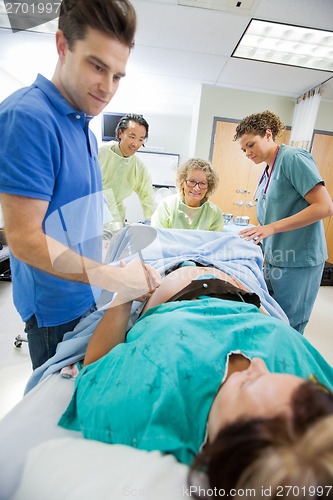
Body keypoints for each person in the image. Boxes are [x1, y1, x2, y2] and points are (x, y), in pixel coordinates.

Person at [59, 264, 333, 493]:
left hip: (176, 284)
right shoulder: (316, 416)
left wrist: (125, 294)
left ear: (219, 447)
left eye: (247, 382)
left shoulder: (149, 391)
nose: (259, 363)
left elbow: (94, 368)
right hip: (242, 289)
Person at [0, 0, 160, 370]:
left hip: (86, 291)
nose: (107, 88)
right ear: (62, 46)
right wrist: (113, 277)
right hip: (55, 308)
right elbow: (24, 239)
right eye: (97, 66)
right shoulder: (28, 118)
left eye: (118, 76)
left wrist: (115, 260)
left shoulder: (82, 127)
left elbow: (75, 217)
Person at [233, 110, 333, 334]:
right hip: (276, 258)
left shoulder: (292, 159)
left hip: (299, 260)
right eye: (243, 149)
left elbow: (324, 206)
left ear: (268, 135)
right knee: (273, 319)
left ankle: (289, 367)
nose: (247, 153)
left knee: (289, 325)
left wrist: (270, 228)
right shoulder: (268, 170)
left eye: (251, 144)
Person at [98, 114, 155, 225]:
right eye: (132, 137)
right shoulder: (100, 153)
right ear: (120, 133)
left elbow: (148, 197)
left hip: (117, 219)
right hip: (94, 212)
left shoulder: (139, 167)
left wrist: (150, 221)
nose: (135, 144)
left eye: (140, 139)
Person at [151, 158, 224, 231]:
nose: (196, 188)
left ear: (209, 186)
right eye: (192, 181)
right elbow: (157, 236)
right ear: (182, 183)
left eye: (202, 183)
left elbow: (215, 241)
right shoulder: (166, 206)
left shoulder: (214, 213)